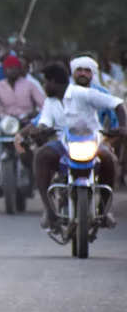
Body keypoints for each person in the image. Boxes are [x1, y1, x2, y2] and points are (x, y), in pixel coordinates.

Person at [30, 63, 126, 229]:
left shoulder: (82, 94)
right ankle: (50, 211)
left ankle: (104, 209)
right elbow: (44, 122)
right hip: (63, 145)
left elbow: (116, 103)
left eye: (46, 82)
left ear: (54, 82)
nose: (44, 86)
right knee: (41, 156)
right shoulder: (50, 102)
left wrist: (123, 127)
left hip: (92, 143)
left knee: (109, 160)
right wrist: (40, 132)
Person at [0, 54, 46, 191]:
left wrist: (37, 113)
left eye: (15, 68)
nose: (12, 71)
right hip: (5, 124)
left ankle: (36, 178)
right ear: (5, 70)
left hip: (25, 123)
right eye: (9, 68)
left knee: (40, 146)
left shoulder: (30, 85)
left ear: (20, 70)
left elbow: (44, 104)